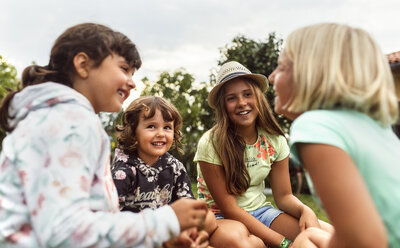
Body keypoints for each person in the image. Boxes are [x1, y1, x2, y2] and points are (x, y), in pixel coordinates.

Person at [0, 22, 207, 247]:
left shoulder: (58, 117)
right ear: (83, 64)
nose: (132, 82)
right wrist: (165, 222)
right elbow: (65, 232)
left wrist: (160, 240)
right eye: (123, 69)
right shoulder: (69, 122)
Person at [268, 23, 400, 247]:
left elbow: (364, 241)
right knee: (309, 237)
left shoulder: (315, 126)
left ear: (309, 75)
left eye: (281, 68)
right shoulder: (374, 125)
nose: (271, 77)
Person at [194, 61, 332, 248]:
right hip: (220, 216)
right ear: (223, 105)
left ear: (258, 97)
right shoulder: (211, 143)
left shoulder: (274, 140)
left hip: (260, 212)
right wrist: (284, 244)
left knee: (328, 236)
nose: (242, 103)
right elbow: (230, 209)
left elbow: (283, 196)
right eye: (231, 98)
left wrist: (304, 210)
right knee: (249, 244)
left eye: (247, 94)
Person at [112, 96, 216, 248]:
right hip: (138, 236)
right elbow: (111, 219)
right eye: (151, 126)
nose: (160, 133)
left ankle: (191, 242)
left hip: (171, 230)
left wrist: (192, 231)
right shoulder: (123, 172)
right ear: (133, 132)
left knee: (209, 218)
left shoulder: (174, 167)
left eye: (167, 127)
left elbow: (188, 206)